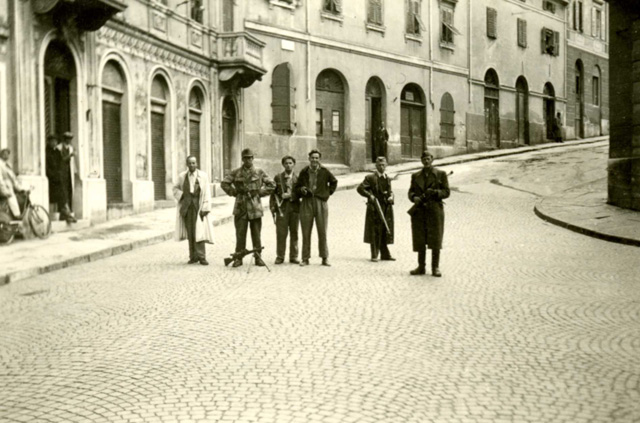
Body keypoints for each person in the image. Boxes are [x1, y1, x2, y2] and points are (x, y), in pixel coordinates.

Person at [221, 148, 275, 267]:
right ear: (242, 159)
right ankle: (238, 258)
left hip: (255, 207)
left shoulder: (259, 172)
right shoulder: (236, 172)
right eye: (245, 158)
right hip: (240, 207)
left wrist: (259, 192)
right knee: (240, 234)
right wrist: (234, 192)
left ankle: (258, 257)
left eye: (250, 158)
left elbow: (272, 185)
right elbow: (224, 183)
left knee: (256, 234)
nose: (248, 160)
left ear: (253, 159)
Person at [408, 150, 450, 277]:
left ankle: (435, 267)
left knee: (435, 239)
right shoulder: (415, 176)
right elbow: (410, 192)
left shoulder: (441, 174)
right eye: (424, 159)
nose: (426, 161)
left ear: (432, 160)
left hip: (434, 211)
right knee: (420, 239)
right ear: (421, 161)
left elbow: (447, 192)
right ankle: (421, 267)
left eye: (428, 159)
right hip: (420, 210)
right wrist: (414, 197)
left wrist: (436, 193)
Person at [294, 149, 338, 267]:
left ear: (319, 159)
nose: (314, 160)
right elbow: (297, 187)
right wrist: (301, 190)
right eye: (312, 158)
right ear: (309, 158)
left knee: (322, 231)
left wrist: (327, 193)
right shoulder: (304, 171)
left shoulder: (325, 171)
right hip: (306, 202)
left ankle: (324, 257)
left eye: (317, 158)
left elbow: (334, 182)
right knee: (306, 231)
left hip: (320, 202)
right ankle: (305, 258)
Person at [173, 155, 214, 265]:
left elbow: (207, 192)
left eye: (193, 163)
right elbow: (175, 188)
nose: (192, 165)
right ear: (187, 164)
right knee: (190, 232)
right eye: (189, 163)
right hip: (187, 208)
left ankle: (202, 257)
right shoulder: (182, 176)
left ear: (197, 164)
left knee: (199, 232)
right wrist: (182, 195)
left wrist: (206, 207)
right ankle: (193, 256)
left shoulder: (203, 176)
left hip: (198, 207)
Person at [357, 156, 395, 262]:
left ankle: (385, 254)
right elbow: (360, 188)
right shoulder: (370, 177)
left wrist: (391, 197)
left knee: (384, 229)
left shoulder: (387, 178)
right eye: (379, 165)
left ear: (386, 165)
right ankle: (374, 254)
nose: (381, 167)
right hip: (375, 207)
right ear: (376, 166)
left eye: (383, 165)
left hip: (386, 207)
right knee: (375, 230)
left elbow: (390, 191)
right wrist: (370, 196)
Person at [270, 155, 300, 265]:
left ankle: (294, 256)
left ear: (294, 164)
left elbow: (300, 193)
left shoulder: (298, 179)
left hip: (295, 208)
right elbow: (272, 193)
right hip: (281, 209)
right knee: (281, 233)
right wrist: (272, 207)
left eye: (290, 163)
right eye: (286, 163)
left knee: (294, 232)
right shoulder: (278, 178)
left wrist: (291, 195)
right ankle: (280, 256)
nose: (288, 165)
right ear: (283, 164)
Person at [55, 132, 77, 223]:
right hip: (61, 173)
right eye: (68, 139)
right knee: (62, 192)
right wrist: (70, 155)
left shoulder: (71, 148)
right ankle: (64, 213)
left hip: (68, 173)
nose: (69, 140)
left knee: (68, 191)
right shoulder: (59, 148)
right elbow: (61, 160)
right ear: (65, 139)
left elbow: (72, 163)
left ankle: (67, 212)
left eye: (70, 139)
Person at [0, 152, 28, 219]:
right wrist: (4, 190)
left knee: (20, 196)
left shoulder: (7, 165)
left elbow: (13, 178)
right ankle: (17, 215)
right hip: (3, 187)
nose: (6, 155)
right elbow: (0, 180)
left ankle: (17, 214)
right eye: (4, 153)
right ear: (1, 154)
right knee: (11, 197)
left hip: (9, 186)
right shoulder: (0, 164)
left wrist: (20, 187)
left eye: (8, 153)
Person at [45, 135, 61, 213]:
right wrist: (51, 174)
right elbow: (46, 165)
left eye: (55, 141)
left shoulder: (57, 151)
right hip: (50, 177)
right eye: (52, 141)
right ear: (49, 142)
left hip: (57, 176)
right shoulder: (46, 151)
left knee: (57, 195)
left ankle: (56, 212)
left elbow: (60, 163)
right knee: (51, 195)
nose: (54, 143)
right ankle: (51, 212)